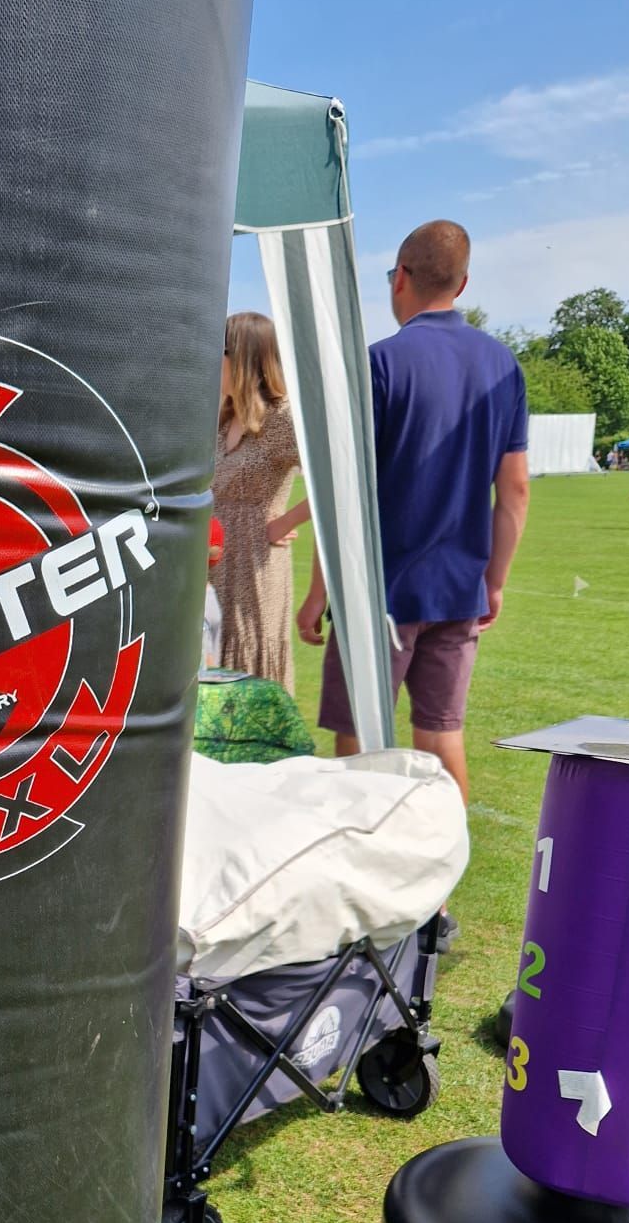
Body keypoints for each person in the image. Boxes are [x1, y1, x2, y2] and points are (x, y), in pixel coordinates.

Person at [296, 220, 529, 804]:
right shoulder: (505, 367)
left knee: (359, 740)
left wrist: (319, 593)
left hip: (379, 590)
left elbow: (344, 491)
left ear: (400, 277)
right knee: (442, 735)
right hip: (458, 589)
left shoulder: (376, 365)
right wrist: (493, 582)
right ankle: (440, 886)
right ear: (463, 282)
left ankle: (361, 871)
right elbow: (516, 490)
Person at [210, 311, 310, 691]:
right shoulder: (224, 417)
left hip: (256, 566)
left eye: (217, 350)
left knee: (251, 669)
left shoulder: (282, 418)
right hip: (215, 567)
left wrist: (285, 522)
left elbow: (334, 483)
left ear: (242, 357)